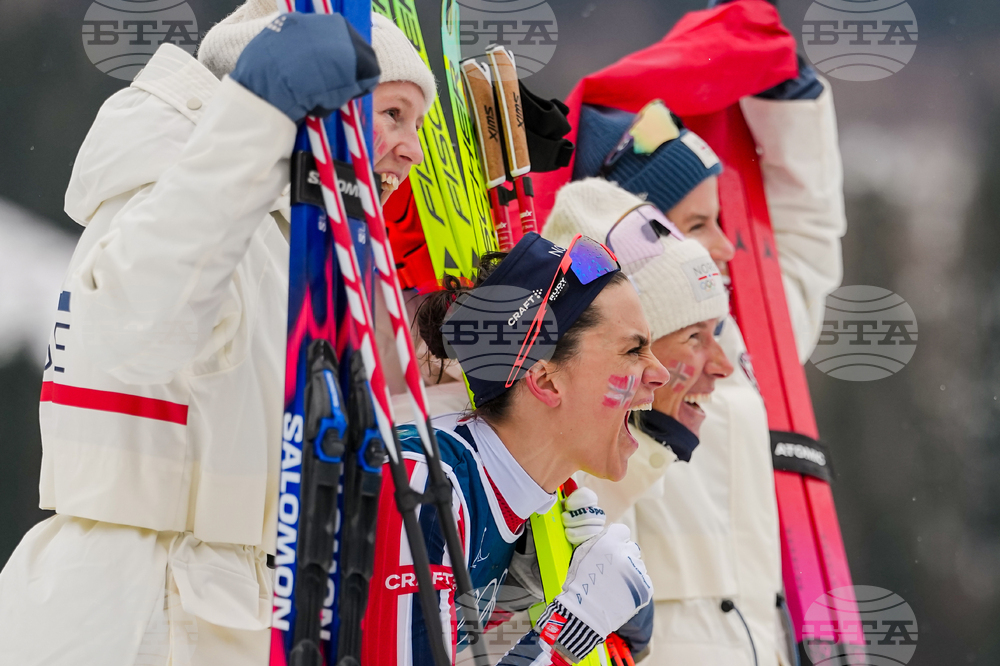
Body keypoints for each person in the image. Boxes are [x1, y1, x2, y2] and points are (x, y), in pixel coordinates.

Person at [0, 4, 437, 664]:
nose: (412, 148)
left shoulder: (284, 237)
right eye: (393, 114)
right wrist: (257, 117)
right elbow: (132, 332)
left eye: (417, 124)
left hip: (226, 600)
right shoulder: (176, 190)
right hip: (138, 611)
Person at [565, 31, 846, 666]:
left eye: (719, 220)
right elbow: (570, 520)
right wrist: (653, 436)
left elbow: (805, 249)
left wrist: (791, 104)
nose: (724, 245)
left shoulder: (738, 338)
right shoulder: (585, 360)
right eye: (696, 225)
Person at [363, 231, 668, 666]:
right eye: (634, 350)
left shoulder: (523, 506)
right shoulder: (424, 483)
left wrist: (593, 620)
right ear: (545, 380)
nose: (660, 374)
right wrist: (572, 630)